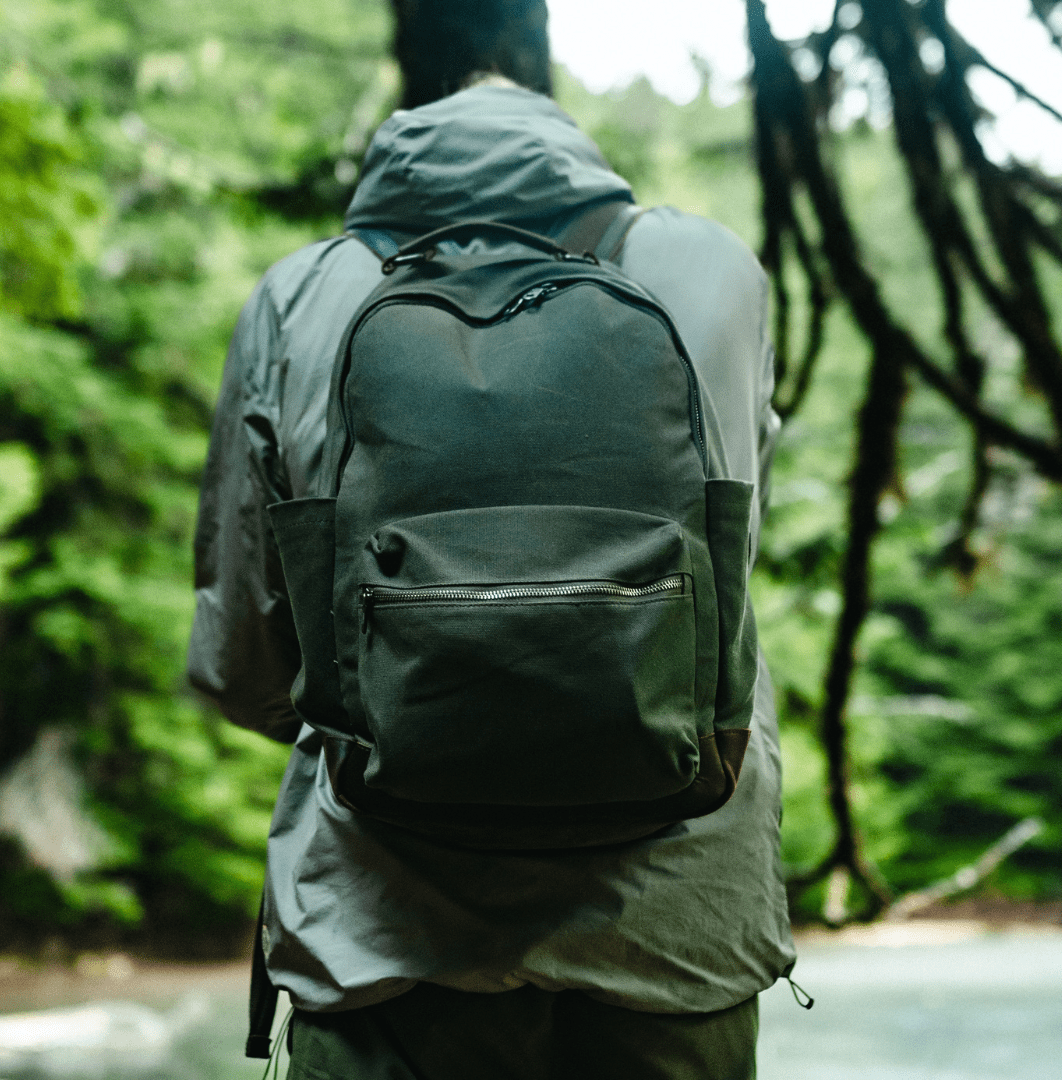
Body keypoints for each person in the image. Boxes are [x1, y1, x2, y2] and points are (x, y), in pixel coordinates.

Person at [187, 3, 794, 1076]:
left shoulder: (302, 296)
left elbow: (242, 668)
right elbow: (725, 598)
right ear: (575, 156)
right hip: (677, 941)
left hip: (385, 945)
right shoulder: (712, 274)